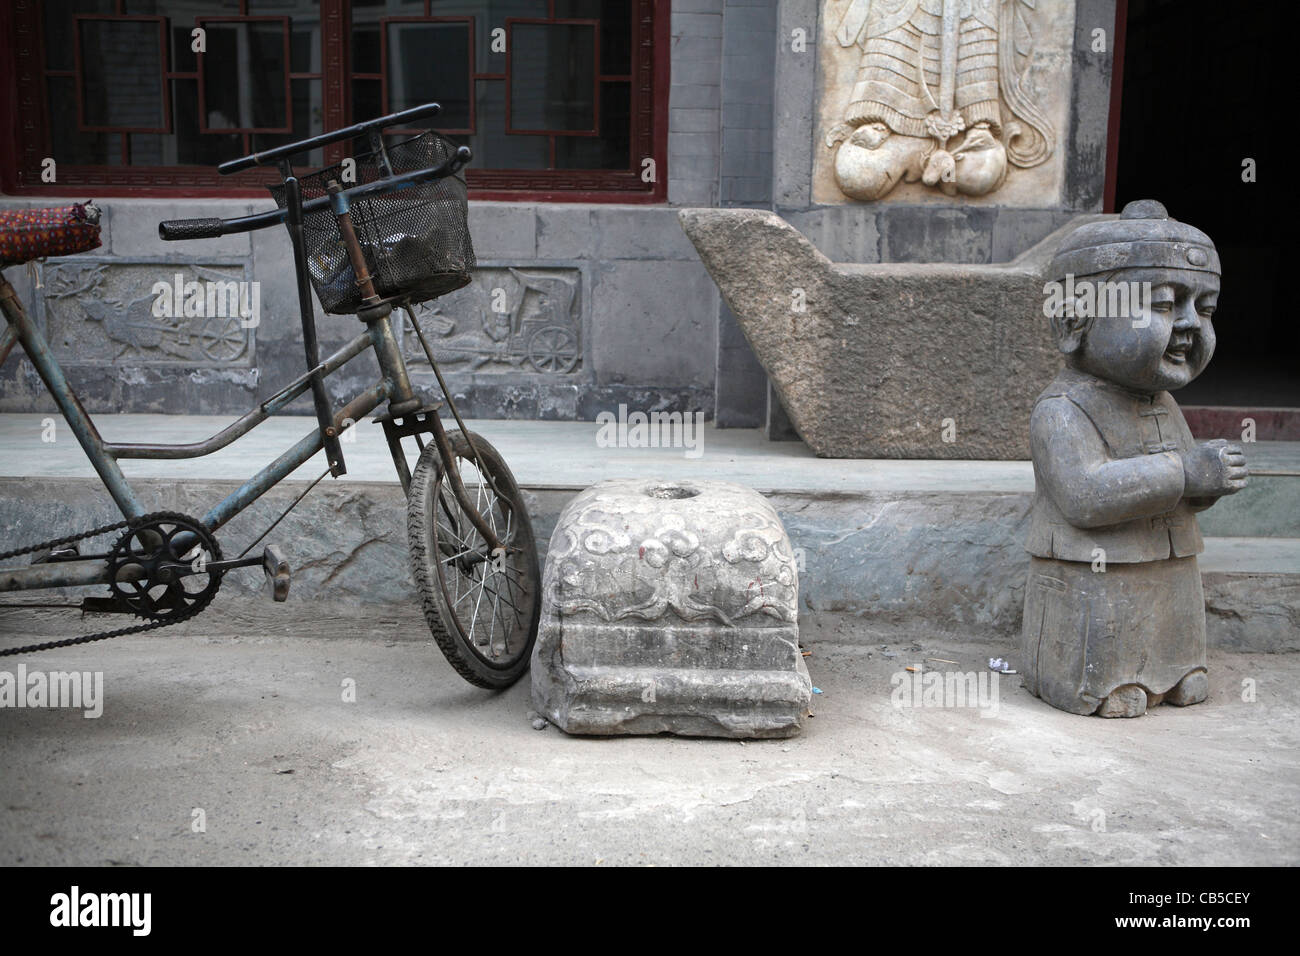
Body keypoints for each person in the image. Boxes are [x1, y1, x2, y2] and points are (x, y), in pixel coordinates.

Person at [1021, 199, 1248, 717]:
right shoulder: (1061, 409)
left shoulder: (1164, 403)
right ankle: (1103, 683)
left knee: (1173, 613)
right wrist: (1184, 472)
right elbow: (1083, 495)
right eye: (1164, 306)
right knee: (1106, 625)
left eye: (1205, 308)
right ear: (1075, 319)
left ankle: (1173, 670)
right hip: (1094, 567)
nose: (1190, 325)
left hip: (1168, 555)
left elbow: (1187, 489)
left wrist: (1207, 485)